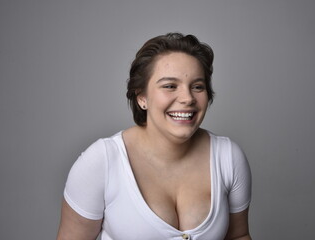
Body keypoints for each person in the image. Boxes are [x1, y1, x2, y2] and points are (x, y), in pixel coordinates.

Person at [57, 33, 252, 240]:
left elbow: (238, 236)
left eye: (197, 86)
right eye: (169, 86)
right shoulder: (101, 161)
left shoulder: (228, 157)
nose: (187, 98)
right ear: (142, 97)